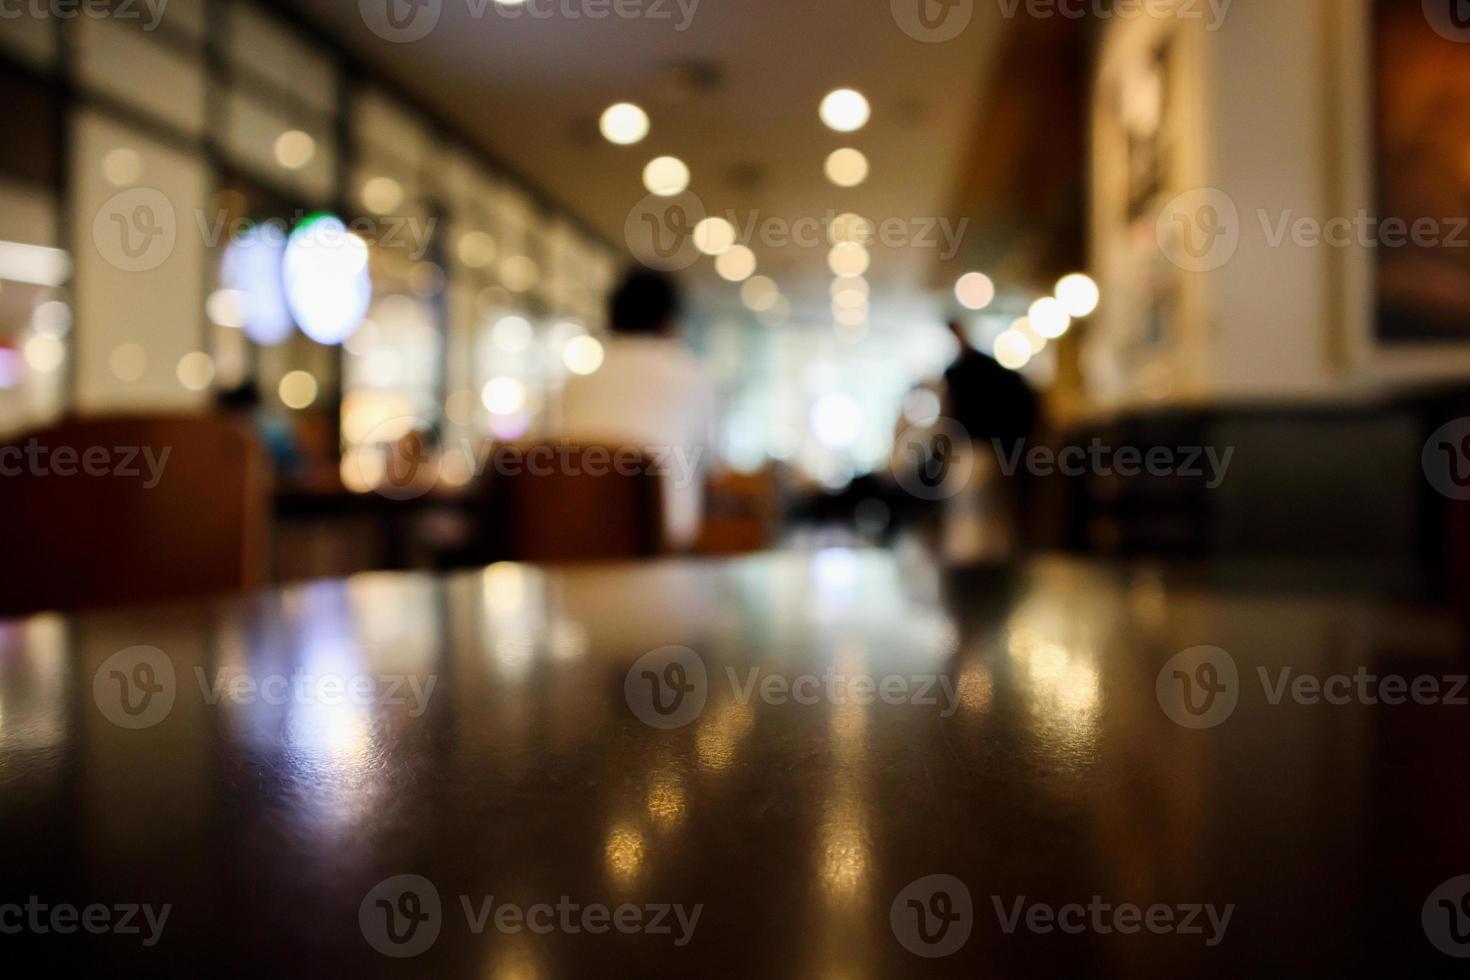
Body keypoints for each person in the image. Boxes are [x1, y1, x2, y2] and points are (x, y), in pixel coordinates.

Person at [557, 269, 715, 551]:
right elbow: (710, 464)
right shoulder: (692, 373)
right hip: (665, 539)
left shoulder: (577, 380)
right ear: (671, 322)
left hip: (574, 535)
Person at [936, 319, 1041, 558]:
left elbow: (947, 415)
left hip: (972, 454)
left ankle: (972, 574)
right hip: (999, 453)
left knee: (967, 519)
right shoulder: (996, 370)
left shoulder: (958, 372)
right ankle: (992, 570)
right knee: (995, 520)